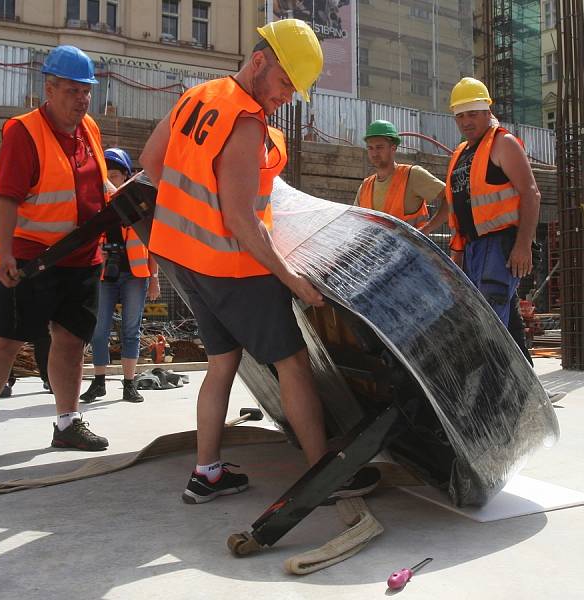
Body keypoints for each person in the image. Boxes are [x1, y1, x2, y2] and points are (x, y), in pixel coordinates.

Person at [140, 19, 380, 504]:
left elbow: (150, 161)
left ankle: (206, 472)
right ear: (259, 62)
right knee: (292, 364)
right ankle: (322, 477)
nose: (287, 97)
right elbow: (242, 221)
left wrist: (196, 211)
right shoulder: (246, 121)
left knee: (221, 363)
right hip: (236, 266)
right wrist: (291, 279)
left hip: (188, 261)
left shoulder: (198, 95)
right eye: (286, 82)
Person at [0, 45, 111, 464]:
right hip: (31, 259)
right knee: (6, 340)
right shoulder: (23, 132)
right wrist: (5, 254)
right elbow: (6, 199)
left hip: (80, 258)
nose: (82, 98)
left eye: (87, 91)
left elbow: (93, 188)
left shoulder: (89, 130)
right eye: (74, 90)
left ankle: (67, 423)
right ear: (50, 87)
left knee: (71, 341)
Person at [445, 77, 540, 364]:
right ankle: (524, 391)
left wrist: (524, 244)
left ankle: (489, 396)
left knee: (487, 323)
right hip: (474, 249)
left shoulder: (503, 143)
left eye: (472, 113)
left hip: (500, 246)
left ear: (487, 111)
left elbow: (531, 193)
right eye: (460, 115)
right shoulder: (461, 154)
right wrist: (457, 254)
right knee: (504, 319)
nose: (466, 121)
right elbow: (460, 209)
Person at [80, 148, 161, 404]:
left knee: (131, 330)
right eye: (107, 175)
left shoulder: (139, 204)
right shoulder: (96, 206)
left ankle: (128, 384)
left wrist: (154, 277)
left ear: (126, 176)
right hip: (104, 276)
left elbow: (153, 241)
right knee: (99, 330)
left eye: (115, 175)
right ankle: (99, 383)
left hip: (135, 276)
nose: (110, 180)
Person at [0, 194, 52, 396]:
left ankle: (49, 377)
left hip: (31, 268)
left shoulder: (35, 197)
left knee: (40, 324)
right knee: (4, 327)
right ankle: (6, 379)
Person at [356, 120, 449, 235]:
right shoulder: (365, 187)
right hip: (375, 252)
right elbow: (356, 224)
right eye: (370, 148)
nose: (374, 153)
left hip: (410, 252)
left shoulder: (413, 175)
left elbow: (450, 198)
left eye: (379, 147)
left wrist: (427, 228)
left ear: (393, 147)